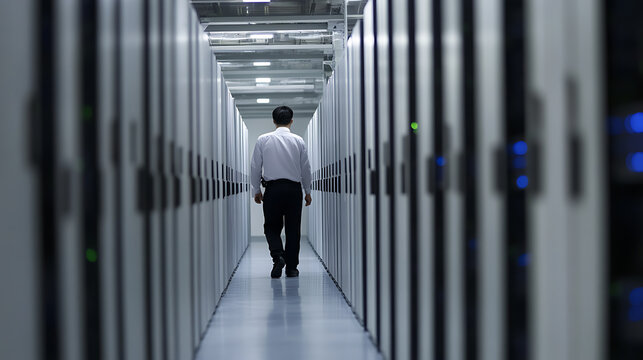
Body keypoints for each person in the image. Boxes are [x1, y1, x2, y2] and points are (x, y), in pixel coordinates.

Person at [251, 106, 312, 278]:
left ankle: (277, 256)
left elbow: (255, 166)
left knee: (271, 226)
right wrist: (307, 191)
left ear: (274, 121)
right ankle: (292, 268)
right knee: (293, 228)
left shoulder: (263, 139)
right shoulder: (298, 140)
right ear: (291, 121)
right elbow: (305, 168)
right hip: (294, 190)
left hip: (273, 189)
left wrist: (256, 190)